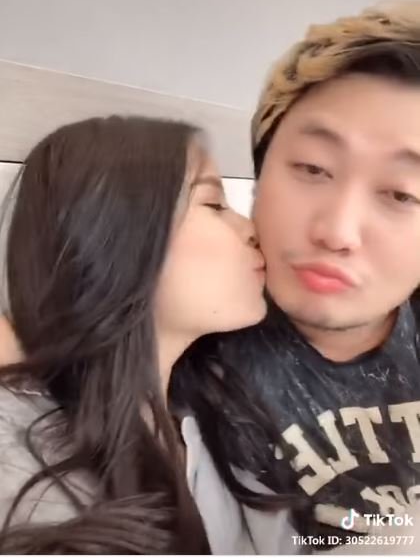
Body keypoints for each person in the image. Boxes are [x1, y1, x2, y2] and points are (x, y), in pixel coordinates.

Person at [171, 0, 420, 551]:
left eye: (403, 194)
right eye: (312, 168)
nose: (337, 231)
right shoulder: (182, 349)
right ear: (259, 177)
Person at [0, 115, 296, 554]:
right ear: (118, 237)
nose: (251, 231)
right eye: (214, 204)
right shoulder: (20, 455)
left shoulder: (214, 415)